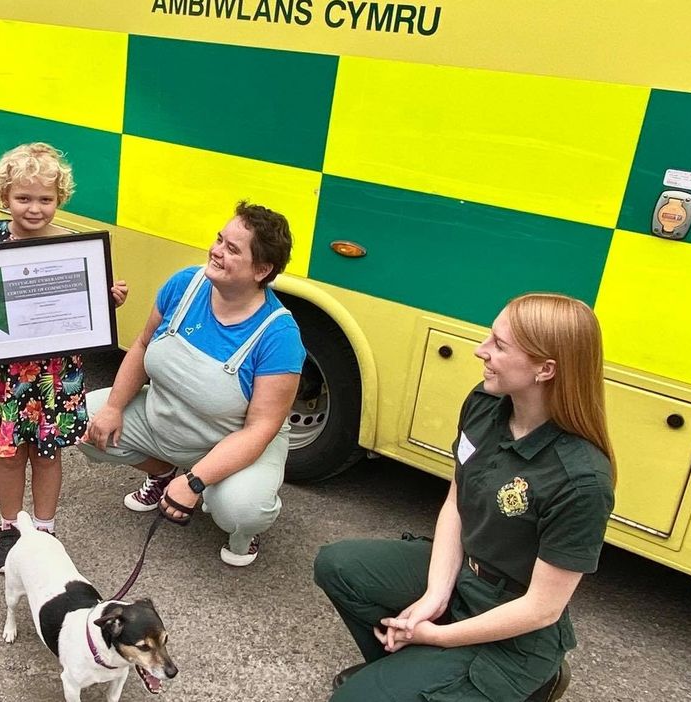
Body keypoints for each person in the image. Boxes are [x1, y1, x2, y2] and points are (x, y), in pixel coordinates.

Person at [312, 293, 617, 702]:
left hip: (514, 628)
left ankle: (525, 684)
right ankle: (405, 674)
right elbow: (458, 500)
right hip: (462, 577)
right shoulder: (486, 404)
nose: (481, 351)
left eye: (499, 345)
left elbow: (542, 608)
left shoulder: (581, 478)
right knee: (339, 566)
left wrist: (437, 635)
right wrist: (434, 597)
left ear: (545, 369)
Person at [0, 143, 128, 572]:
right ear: (4, 197)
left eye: (45, 199)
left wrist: (106, 302)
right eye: (23, 198)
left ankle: (44, 530)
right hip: (3, 372)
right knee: (8, 453)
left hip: (55, 374)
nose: (35, 208)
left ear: (60, 199)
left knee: (47, 453)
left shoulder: (74, 248)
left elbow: (84, 313)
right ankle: (10, 528)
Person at [79, 201, 302, 566]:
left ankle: (243, 531)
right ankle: (163, 474)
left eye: (232, 249)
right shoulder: (184, 283)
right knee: (76, 421)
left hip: (234, 440)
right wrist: (114, 407)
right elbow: (143, 345)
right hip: (166, 417)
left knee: (242, 508)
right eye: (219, 240)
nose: (216, 251)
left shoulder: (278, 335)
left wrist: (196, 482)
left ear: (262, 270)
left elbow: (260, 429)